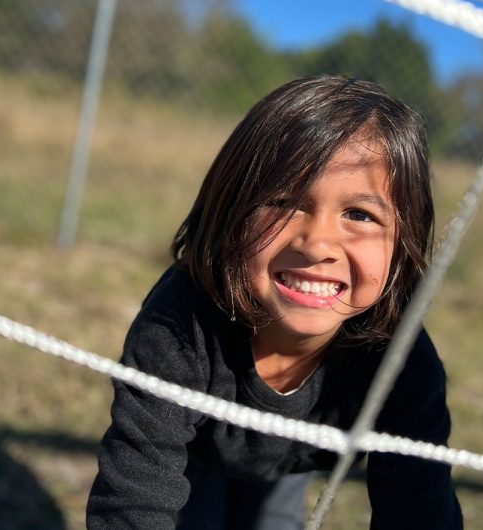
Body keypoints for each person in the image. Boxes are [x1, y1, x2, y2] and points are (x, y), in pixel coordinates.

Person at [86, 75, 463, 529]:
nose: (317, 243)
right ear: (231, 213)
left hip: (289, 461)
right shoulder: (178, 326)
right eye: (284, 202)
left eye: (359, 214)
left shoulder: (402, 366)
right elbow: (135, 497)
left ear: (403, 245)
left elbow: (419, 506)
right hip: (193, 449)